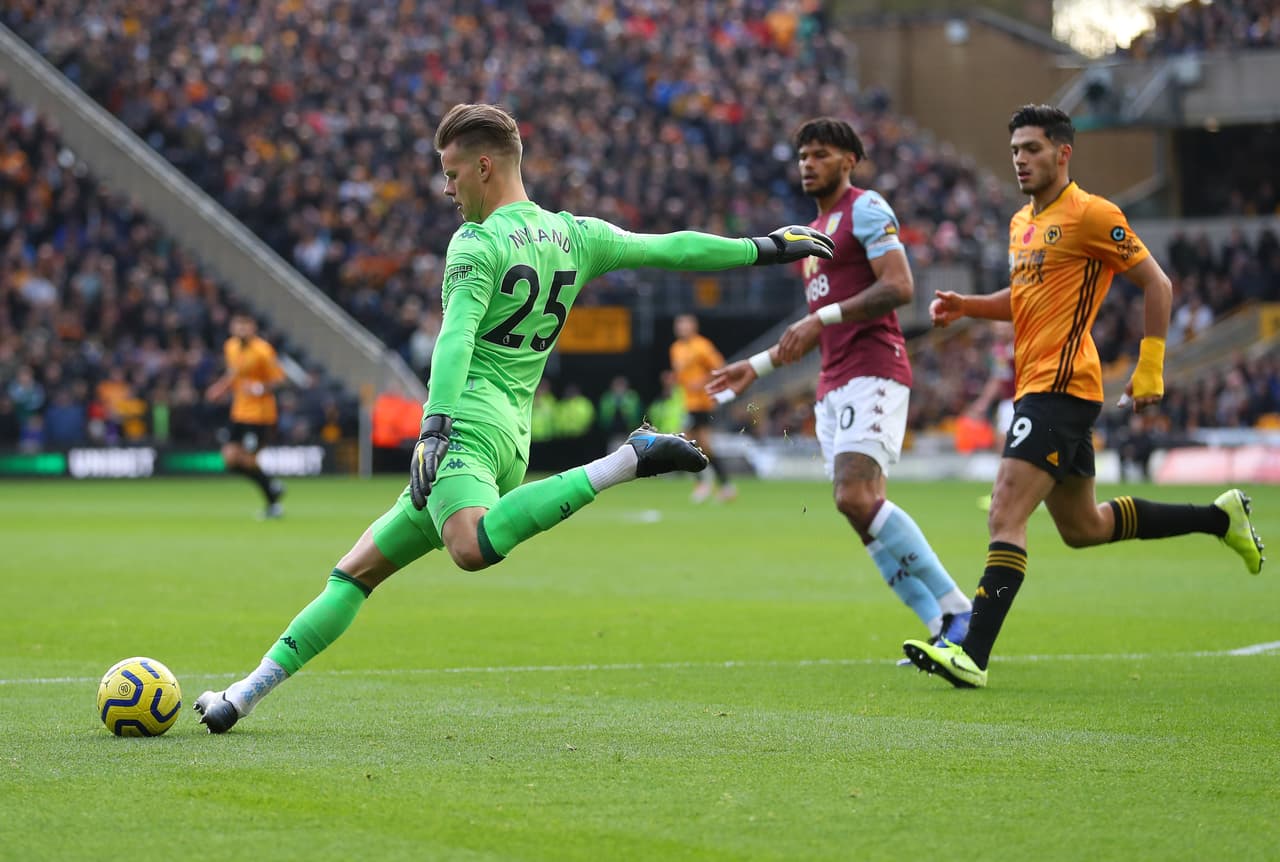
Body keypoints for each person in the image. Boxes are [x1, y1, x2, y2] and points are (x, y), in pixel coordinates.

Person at [193, 102, 833, 732]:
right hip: (511, 440)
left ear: (482, 166)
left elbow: (455, 338)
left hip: (465, 431)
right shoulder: (576, 235)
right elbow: (674, 249)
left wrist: (434, 428)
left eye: (449, 174)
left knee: (468, 548)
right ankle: (242, 695)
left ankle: (627, 460)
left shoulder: (475, 243)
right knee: (353, 573)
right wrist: (766, 246)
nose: (446, 188)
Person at [901, 104, 1264, 689]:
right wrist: (970, 306)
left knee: (1004, 511)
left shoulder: (1093, 215)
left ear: (1063, 153)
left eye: (1033, 149)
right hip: (1039, 387)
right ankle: (1218, 518)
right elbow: (1022, 300)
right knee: (1083, 527)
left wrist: (1150, 366)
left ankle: (972, 655)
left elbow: (1157, 282)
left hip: (1062, 388)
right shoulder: (1022, 223)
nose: (1020, 159)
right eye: (1015, 149)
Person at [707, 116, 972, 653]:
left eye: (821, 154)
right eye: (803, 155)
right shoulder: (813, 239)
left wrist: (821, 319)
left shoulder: (867, 209)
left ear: (849, 161)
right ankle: (940, 630)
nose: (808, 164)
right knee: (859, 509)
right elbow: (810, 332)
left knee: (853, 496)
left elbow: (900, 287)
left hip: (874, 369)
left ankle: (960, 610)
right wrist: (754, 368)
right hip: (834, 382)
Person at [205, 311, 287, 518]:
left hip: (260, 415)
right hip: (239, 413)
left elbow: (279, 380)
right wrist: (220, 388)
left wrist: (259, 388)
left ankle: (273, 504)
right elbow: (234, 373)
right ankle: (271, 485)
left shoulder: (263, 351)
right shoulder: (230, 346)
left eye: (245, 325)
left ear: (253, 327)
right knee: (230, 458)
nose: (241, 329)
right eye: (238, 324)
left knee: (248, 460)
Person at [670, 313, 736, 502]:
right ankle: (720, 484)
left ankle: (708, 483)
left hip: (701, 403)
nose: (681, 328)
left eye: (685, 324)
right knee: (695, 444)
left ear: (694, 327)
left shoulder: (702, 346)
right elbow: (682, 376)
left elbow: (719, 368)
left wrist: (702, 382)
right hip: (686, 403)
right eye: (679, 324)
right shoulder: (675, 349)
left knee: (692, 444)